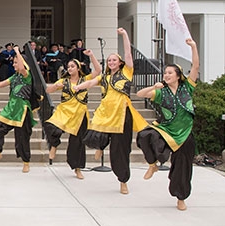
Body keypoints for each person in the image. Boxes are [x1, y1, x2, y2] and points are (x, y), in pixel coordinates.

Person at [75, 28, 148, 195]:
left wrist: (124, 35)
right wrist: (79, 86)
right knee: (93, 132)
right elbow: (91, 82)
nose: (111, 62)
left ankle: (123, 180)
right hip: (106, 113)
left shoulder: (127, 73)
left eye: (114, 60)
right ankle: (101, 144)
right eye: (109, 60)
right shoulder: (105, 78)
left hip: (122, 115)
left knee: (120, 151)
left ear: (120, 62)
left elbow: (129, 54)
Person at [136, 38, 200, 211]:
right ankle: (152, 164)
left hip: (185, 133)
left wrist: (193, 47)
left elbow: (195, 66)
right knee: (144, 135)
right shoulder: (161, 92)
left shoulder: (187, 88)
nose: (166, 75)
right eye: (165, 73)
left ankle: (181, 198)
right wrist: (152, 86)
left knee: (182, 168)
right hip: (167, 131)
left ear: (178, 76)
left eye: (170, 73)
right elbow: (139, 93)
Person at [44, 51, 102, 178]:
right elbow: (47, 90)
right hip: (65, 111)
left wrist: (91, 55)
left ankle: (77, 168)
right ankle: (54, 144)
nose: (70, 68)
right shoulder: (64, 81)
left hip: (80, 113)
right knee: (50, 126)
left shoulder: (85, 79)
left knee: (78, 142)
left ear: (78, 68)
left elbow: (98, 70)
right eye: (68, 67)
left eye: (72, 66)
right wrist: (55, 86)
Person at [0, 45, 38, 173]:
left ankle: (26, 162)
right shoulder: (14, 77)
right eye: (13, 62)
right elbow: (1, 84)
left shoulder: (26, 75)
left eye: (15, 63)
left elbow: (23, 68)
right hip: (10, 108)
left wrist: (17, 51)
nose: (13, 65)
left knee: (22, 138)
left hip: (22, 110)